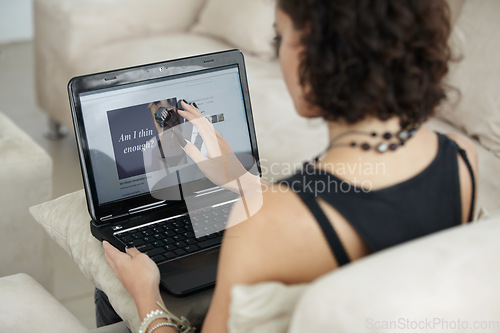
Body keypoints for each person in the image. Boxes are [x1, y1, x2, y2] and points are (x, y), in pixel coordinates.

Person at [101, 0, 478, 332]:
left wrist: (147, 299)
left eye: (279, 38)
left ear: (312, 51)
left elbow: (301, 220)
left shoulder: (262, 227)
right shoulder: (461, 159)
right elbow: (363, 207)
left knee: (112, 289)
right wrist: (243, 181)